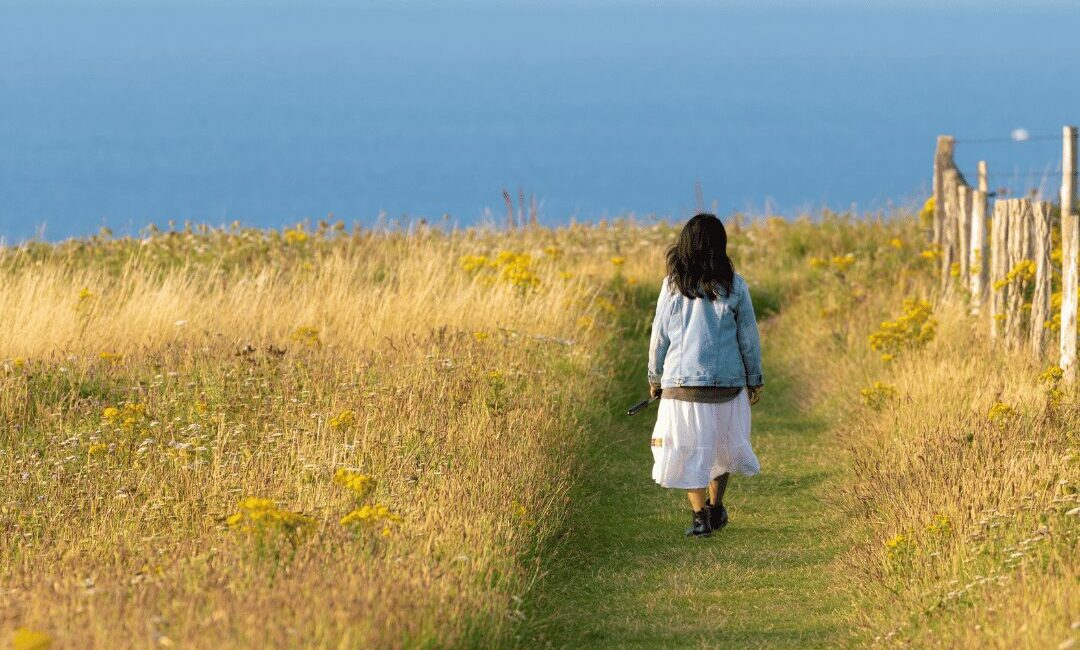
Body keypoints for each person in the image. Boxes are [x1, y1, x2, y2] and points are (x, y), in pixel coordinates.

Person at [647, 213, 763, 538]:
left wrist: (655, 378)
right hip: (727, 387)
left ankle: (699, 517)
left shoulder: (671, 287)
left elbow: (659, 336)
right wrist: (755, 378)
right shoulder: (735, 285)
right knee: (721, 447)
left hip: (681, 387)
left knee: (687, 448)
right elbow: (748, 338)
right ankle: (715, 507)